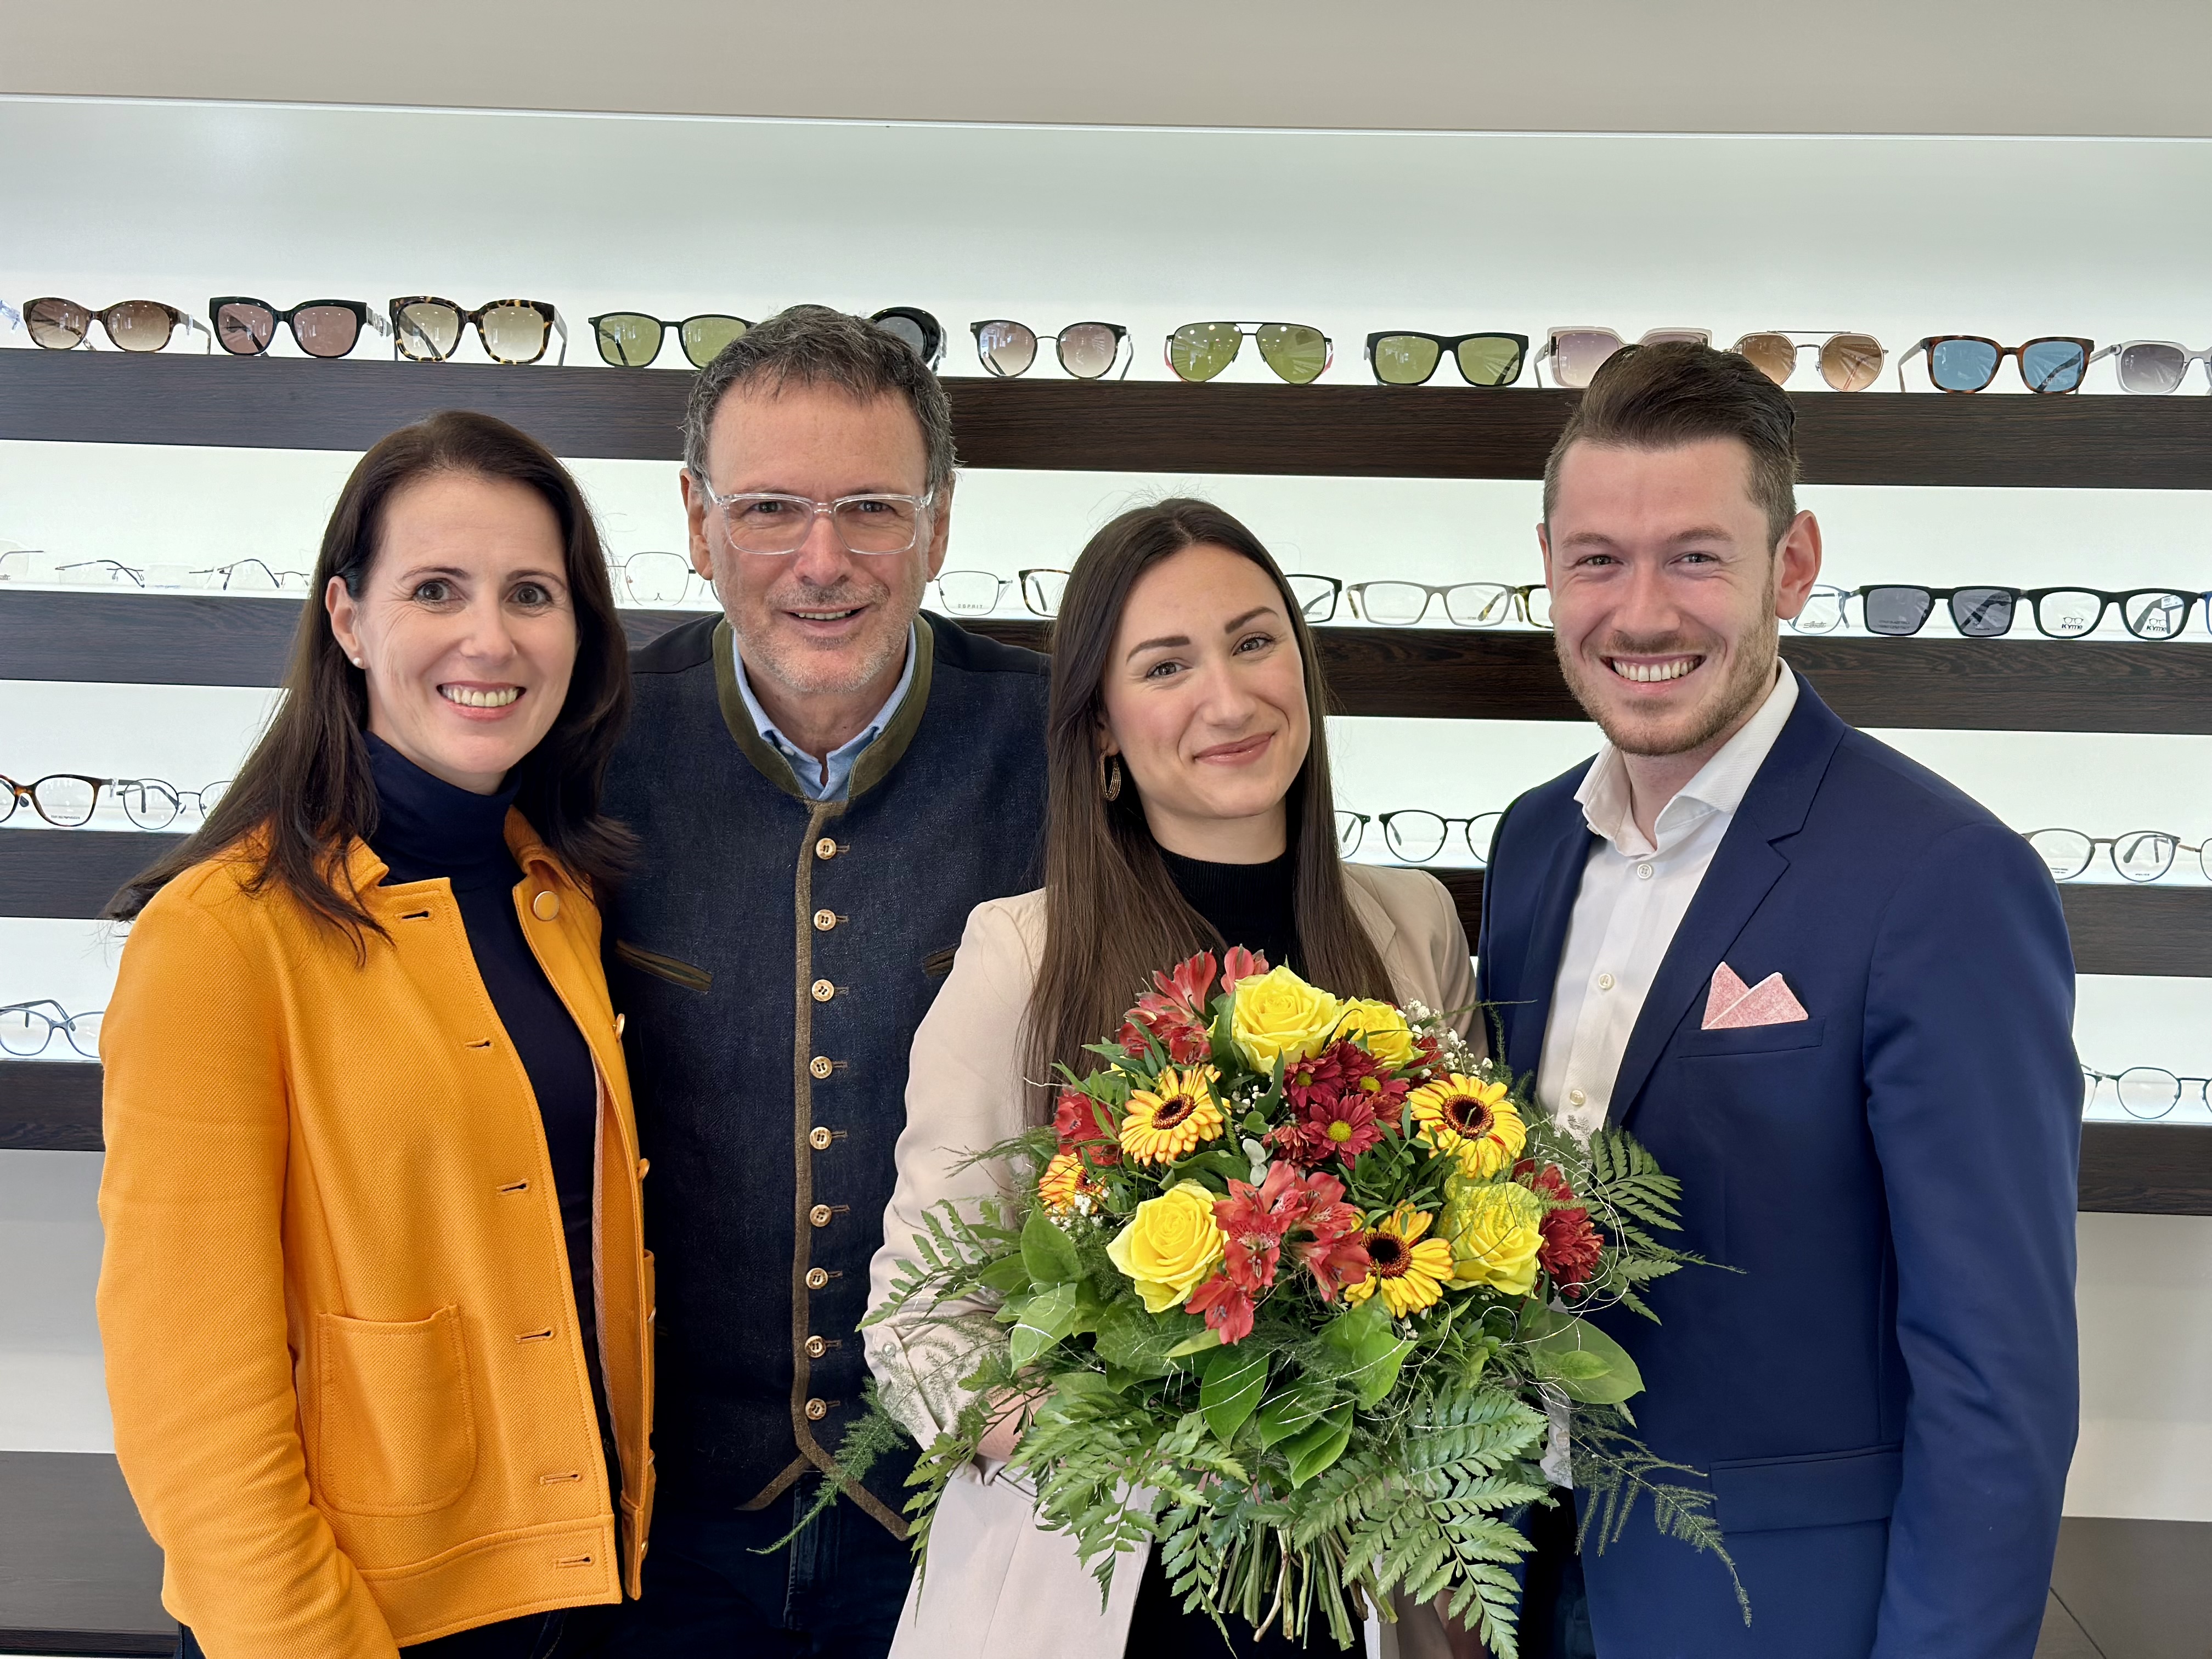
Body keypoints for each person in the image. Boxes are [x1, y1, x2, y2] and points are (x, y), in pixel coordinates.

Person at [1478, 342, 2080, 1659]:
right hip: (1521, 1584)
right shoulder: (1529, 849)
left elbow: (1999, 1380)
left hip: (1787, 1618)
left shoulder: (1944, 879)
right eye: (1598, 560)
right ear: (1548, 567)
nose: (1641, 614)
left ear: (1791, 565)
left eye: (1695, 556)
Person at [864, 499, 1480, 1659]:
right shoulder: (1022, 959)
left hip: (1354, 1591)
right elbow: (916, 1323)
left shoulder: (1410, 930)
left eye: (1255, 641)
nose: (1230, 699)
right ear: (1100, 726)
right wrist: (1108, 1433)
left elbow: (1466, 1271)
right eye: (1166, 665)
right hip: (1086, 1587)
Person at [97, 410, 653, 1658]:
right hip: (366, 1621)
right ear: (348, 620)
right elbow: (191, 1406)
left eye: (531, 594)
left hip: (590, 1584)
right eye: (436, 590)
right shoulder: (217, 940)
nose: (490, 638)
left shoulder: (558, 897)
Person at [598, 306, 1050, 1657]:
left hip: (970, 1512)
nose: (822, 560)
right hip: (658, 1522)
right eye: (770, 509)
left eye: (870, 508)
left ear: (940, 522)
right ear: (695, 522)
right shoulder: (587, 742)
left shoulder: (1066, 751)